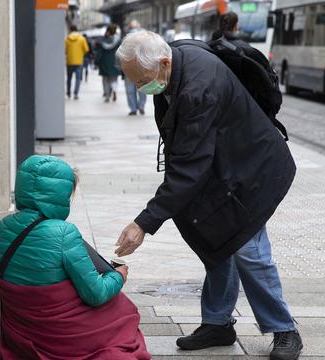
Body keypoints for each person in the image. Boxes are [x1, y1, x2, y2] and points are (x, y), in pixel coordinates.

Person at [114, 30, 302, 360]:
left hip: (252, 170)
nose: (140, 89)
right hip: (224, 165)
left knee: (248, 249)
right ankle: (217, 323)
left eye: (142, 80)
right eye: (134, 82)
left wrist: (143, 223)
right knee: (218, 242)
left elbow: (189, 169)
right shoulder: (173, 64)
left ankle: (284, 329)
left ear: (163, 62)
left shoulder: (198, 89)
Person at [0, 155, 150, 359]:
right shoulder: (64, 232)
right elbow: (96, 294)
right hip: (59, 333)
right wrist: (119, 275)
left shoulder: (4, 226)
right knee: (123, 310)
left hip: (24, 328)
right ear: (60, 195)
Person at [123, 20, 147, 115]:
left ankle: (133, 108)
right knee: (142, 89)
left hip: (129, 69)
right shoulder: (146, 42)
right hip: (142, 69)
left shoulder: (125, 41)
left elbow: (120, 56)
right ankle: (141, 106)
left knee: (130, 91)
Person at [95, 24, 122, 103]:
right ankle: (114, 91)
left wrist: (96, 61)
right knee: (114, 80)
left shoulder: (103, 41)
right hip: (115, 62)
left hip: (104, 63)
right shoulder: (119, 41)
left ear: (108, 31)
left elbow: (99, 53)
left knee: (105, 80)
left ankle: (107, 95)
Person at [65, 25, 89, 100]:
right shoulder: (82, 39)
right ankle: (76, 93)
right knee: (78, 79)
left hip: (69, 61)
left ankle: (68, 92)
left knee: (69, 78)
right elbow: (86, 49)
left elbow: (64, 50)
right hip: (79, 61)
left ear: (70, 30)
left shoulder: (67, 39)